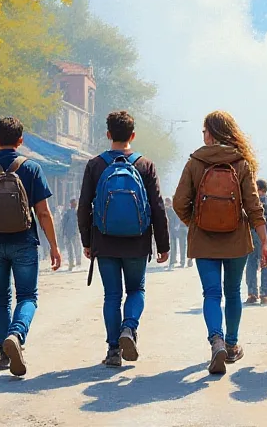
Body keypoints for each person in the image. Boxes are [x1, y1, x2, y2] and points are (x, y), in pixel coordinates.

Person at [174, 111, 267, 375]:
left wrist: (195, 223)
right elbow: (254, 206)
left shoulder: (195, 162)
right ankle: (231, 344)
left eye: (204, 130)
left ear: (212, 133)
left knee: (211, 294)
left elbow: (179, 202)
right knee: (233, 293)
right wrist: (264, 241)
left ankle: (215, 340)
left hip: (204, 241)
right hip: (237, 240)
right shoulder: (241, 163)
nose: (203, 136)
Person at [0, 117, 61, 377]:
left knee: (0, 296)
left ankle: (3, 350)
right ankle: (17, 335)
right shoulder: (32, 169)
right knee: (27, 296)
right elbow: (43, 213)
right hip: (25, 243)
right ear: (21, 141)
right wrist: (54, 246)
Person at [78, 111, 170, 367]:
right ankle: (129, 328)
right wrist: (163, 245)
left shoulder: (95, 165)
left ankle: (113, 350)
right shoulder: (145, 165)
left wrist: (87, 241)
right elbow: (158, 207)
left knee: (111, 296)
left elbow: (84, 206)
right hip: (137, 241)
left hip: (105, 241)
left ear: (108, 135)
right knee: (136, 290)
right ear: (133, 135)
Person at [166, 198, 189, 269]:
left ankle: (180, 262)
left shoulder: (175, 209)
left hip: (180, 228)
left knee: (180, 246)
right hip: (179, 228)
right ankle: (180, 261)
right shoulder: (173, 208)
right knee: (180, 246)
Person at [61, 199, 82, 271]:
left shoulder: (77, 212)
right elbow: (63, 223)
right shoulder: (68, 213)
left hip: (74, 233)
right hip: (69, 234)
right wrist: (63, 233)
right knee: (72, 249)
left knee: (76, 249)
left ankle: (77, 263)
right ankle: (72, 263)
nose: (74, 205)